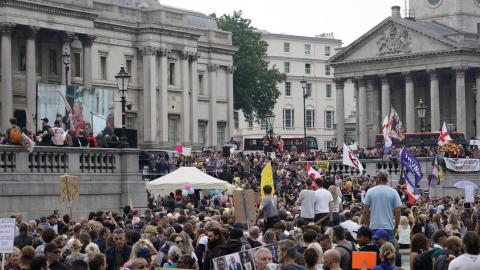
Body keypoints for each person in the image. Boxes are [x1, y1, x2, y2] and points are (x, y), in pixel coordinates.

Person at [363, 170, 401, 242]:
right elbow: (398, 211)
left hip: (374, 226)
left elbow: (365, 211)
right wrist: (395, 226)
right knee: (389, 251)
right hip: (389, 226)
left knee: (375, 251)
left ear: (378, 179)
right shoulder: (393, 192)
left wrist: (369, 225)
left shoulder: (370, 191)